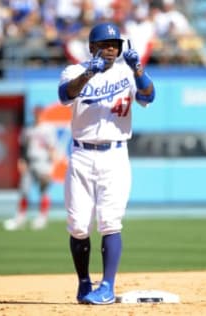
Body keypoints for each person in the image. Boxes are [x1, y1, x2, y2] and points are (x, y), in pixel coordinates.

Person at [57, 22, 155, 305]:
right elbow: (65, 95)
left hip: (115, 155)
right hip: (81, 155)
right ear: (92, 47)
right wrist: (90, 72)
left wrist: (138, 70)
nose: (112, 48)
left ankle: (108, 286)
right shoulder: (74, 71)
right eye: (106, 44)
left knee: (110, 222)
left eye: (116, 44)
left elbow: (149, 96)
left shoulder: (127, 72)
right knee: (77, 226)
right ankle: (84, 283)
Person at [3, 106, 57, 231]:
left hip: (43, 162)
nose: (37, 115)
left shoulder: (48, 128)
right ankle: (20, 218)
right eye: (35, 113)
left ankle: (42, 218)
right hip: (29, 162)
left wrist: (52, 168)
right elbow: (23, 146)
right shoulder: (28, 128)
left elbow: (52, 148)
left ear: (43, 114)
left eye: (39, 113)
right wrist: (21, 160)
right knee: (24, 190)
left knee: (43, 191)